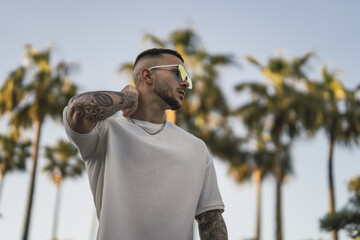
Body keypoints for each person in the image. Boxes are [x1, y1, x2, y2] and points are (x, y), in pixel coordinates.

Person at [63, 48, 228, 240]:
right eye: (178, 73)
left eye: (187, 77)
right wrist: (128, 98)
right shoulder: (105, 132)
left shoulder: (196, 148)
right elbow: (78, 108)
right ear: (147, 75)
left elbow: (211, 220)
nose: (185, 82)